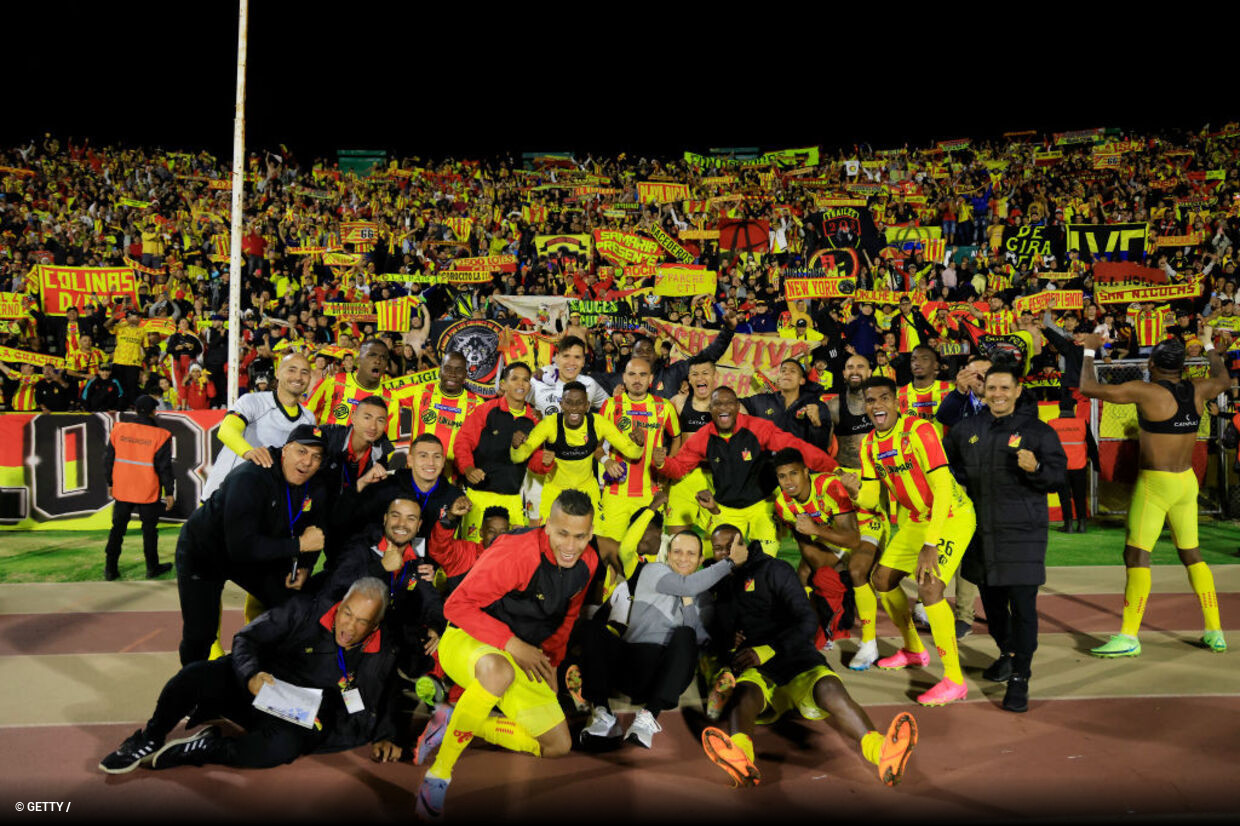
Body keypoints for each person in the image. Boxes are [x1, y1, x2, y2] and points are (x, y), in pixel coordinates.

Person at [411, 490, 598, 820]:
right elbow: (456, 607)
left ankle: (456, 719)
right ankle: (438, 776)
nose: (571, 546)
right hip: (466, 640)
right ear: (546, 526)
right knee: (499, 672)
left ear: (591, 533)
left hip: (520, 654)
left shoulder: (587, 563)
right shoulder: (517, 553)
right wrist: (512, 645)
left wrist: (552, 664)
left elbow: (566, 618)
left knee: (557, 746)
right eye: (563, 534)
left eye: (580, 536)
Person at [98, 577, 402, 773]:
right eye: (347, 613)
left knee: (277, 750)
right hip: (259, 685)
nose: (349, 627)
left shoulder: (382, 649)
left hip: (299, 715)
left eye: (362, 622)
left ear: (374, 627)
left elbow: (384, 693)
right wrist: (251, 674)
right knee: (193, 675)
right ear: (340, 605)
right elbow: (246, 639)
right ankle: (150, 737)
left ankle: (205, 748)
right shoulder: (302, 610)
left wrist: (388, 735)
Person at [698, 525, 918, 790]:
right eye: (718, 548)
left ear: (742, 544)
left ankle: (881, 750)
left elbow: (806, 620)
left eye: (728, 546)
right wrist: (727, 639)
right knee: (744, 695)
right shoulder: (720, 581)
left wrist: (769, 650)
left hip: (793, 655)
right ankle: (740, 757)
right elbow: (717, 629)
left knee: (829, 688)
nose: (723, 554)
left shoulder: (775, 570)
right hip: (756, 667)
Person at [1079, 331, 1230, 656]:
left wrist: (1090, 352)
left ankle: (1129, 636)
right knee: (1192, 554)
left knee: (1136, 555)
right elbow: (1224, 377)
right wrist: (1207, 346)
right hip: (1186, 482)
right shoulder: (1199, 388)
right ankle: (1215, 630)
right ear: (1183, 365)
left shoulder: (1144, 391)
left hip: (1155, 485)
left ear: (1150, 363)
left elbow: (1088, 388)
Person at [834, 376, 977, 706]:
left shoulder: (920, 432)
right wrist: (855, 490)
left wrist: (931, 543)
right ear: (865, 407)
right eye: (871, 401)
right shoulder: (869, 444)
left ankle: (954, 679)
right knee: (882, 580)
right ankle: (914, 649)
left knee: (929, 588)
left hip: (952, 516)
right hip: (915, 521)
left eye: (884, 398)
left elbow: (942, 488)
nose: (877, 406)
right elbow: (871, 497)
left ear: (896, 402)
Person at [945, 365, 1067, 713]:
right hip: (980, 533)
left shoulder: (1038, 431)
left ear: (1016, 391)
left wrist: (1037, 469)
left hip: (1022, 534)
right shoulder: (967, 429)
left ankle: (1020, 678)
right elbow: (944, 466)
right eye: (991, 387)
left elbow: (1058, 478)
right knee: (994, 608)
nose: (997, 393)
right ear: (983, 391)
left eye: (1004, 388)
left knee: (1023, 608)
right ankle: (1007, 653)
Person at [578, 504, 748, 749]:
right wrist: (729, 562)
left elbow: (695, 642)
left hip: (665, 673)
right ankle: (603, 715)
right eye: (677, 552)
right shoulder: (652, 571)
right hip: (633, 663)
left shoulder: (705, 601)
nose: (683, 558)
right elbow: (687, 586)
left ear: (701, 560)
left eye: (691, 554)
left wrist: (690, 603)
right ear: (668, 555)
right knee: (591, 629)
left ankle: (648, 717)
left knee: (686, 634)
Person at [175, 425, 342, 665]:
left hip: (256, 553)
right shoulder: (250, 477)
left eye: (316, 457)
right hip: (204, 553)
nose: (307, 462)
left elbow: (316, 532)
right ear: (285, 451)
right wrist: (298, 546)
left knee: (293, 605)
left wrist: (304, 566)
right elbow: (242, 547)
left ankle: (269, 670)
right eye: (301, 452)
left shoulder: (316, 485)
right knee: (201, 633)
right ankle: (189, 687)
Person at [657, 386, 837, 555]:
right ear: (710, 409)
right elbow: (678, 468)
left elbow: (798, 448)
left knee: (767, 558)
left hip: (762, 504)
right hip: (727, 507)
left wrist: (832, 468)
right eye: (718, 404)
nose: (723, 408)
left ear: (737, 407)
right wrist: (661, 463)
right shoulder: (702, 437)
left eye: (729, 403)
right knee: (724, 563)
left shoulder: (758, 428)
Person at [510, 381, 644, 522]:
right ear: (561, 404)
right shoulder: (550, 424)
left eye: (579, 403)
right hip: (556, 491)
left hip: (587, 489)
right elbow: (520, 456)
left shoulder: (598, 423)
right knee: (548, 536)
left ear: (587, 406)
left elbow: (632, 453)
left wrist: (638, 444)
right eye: (569, 402)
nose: (574, 408)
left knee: (595, 537)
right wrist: (516, 446)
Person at [770, 448, 860, 646]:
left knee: (819, 573)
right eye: (782, 476)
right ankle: (811, 623)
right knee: (802, 573)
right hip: (825, 541)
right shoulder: (783, 504)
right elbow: (803, 541)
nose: (788, 482)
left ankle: (834, 613)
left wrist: (817, 531)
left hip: (861, 532)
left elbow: (854, 539)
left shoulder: (828, 486)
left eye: (793, 473)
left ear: (805, 472)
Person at [200, 351, 316, 502]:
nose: (298, 377)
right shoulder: (252, 401)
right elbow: (226, 430)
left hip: (265, 500)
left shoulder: (309, 418)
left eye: (304, 372)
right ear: (278, 373)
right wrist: (248, 452)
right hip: (224, 494)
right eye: (291, 370)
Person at [453, 362, 544, 540]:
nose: (521, 384)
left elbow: (535, 462)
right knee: (475, 555)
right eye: (515, 378)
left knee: (511, 558)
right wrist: (468, 469)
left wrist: (545, 462)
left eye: (526, 380)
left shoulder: (533, 421)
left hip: (512, 499)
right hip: (479, 498)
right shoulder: (485, 411)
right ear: (503, 385)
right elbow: (462, 443)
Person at [102, 394, 176, 580]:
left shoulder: (119, 429)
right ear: (153, 412)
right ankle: (152, 567)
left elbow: (108, 460)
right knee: (149, 530)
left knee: (117, 529)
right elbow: (164, 467)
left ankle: (110, 569)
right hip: (147, 489)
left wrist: (110, 482)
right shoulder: (160, 435)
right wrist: (169, 491)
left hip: (123, 487)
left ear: (135, 409)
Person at [396, 352, 482, 469]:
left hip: (452, 478)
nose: (452, 374)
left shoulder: (476, 405)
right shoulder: (420, 391)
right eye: (447, 368)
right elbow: (386, 397)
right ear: (440, 371)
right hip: (415, 473)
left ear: (465, 374)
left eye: (458, 370)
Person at [305, 338, 397, 439]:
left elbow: (390, 441)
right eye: (372, 355)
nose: (378, 361)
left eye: (383, 357)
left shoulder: (390, 399)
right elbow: (306, 413)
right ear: (358, 360)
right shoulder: (334, 382)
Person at [666, 360, 718, 532]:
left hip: (715, 477)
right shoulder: (678, 402)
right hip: (683, 478)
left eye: (705, 373)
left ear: (714, 376)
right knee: (675, 538)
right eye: (695, 374)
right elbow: (664, 434)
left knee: (718, 541)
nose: (700, 377)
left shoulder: (730, 405)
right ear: (688, 379)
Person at [742, 358, 834, 455]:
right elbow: (734, 404)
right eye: (783, 371)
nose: (787, 373)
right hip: (769, 466)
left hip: (801, 466)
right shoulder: (762, 400)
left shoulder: (817, 406)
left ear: (802, 380)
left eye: (792, 371)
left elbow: (823, 446)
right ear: (778, 380)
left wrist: (817, 424)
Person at [1048, 396, 1099, 533]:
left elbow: (1046, 447)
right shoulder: (1082, 423)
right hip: (1079, 466)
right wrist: (1097, 465)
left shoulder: (1052, 424)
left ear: (1059, 408)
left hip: (1060, 467)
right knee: (1080, 496)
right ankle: (1082, 525)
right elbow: (1092, 446)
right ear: (1073, 408)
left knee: (1064, 497)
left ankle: (1068, 525)